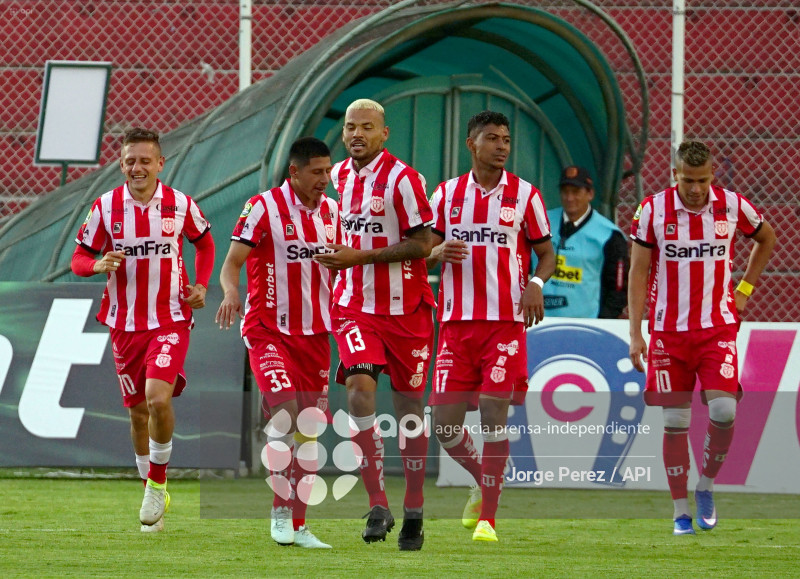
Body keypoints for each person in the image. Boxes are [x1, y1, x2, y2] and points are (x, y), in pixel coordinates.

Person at [71, 127, 215, 532]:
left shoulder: (180, 204)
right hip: (123, 322)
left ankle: (158, 481)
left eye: (145, 160)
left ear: (160, 164)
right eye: (130, 161)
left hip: (170, 318)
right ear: (121, 165)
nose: (137, 167)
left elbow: (204, 243)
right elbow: (79, 257)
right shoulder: (104, 207)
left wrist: (201, 285)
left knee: (156, 399)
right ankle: (149, 489)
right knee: (136, 414)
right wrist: (97, 265)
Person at [628, 140, 775, 535]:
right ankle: (680, 512)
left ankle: (706, 486)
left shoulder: (732, 205)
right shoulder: (652, 211)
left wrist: (743, 291)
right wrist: (636, 333)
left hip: (717, 328)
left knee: (724, 411)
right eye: (688, 180)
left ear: (713, 175)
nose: (696, 189)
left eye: (703, 180)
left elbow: (767, 238)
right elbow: (638, 271)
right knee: (674, 421)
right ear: (675, 174)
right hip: (667, 334)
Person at [426, 110, 555, 542]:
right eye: (492, 139)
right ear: (471, 144)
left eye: (506, 139)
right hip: (456, 326)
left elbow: (547, 252)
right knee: (444, 424)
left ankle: (489, 519)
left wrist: (536, 281)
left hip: (504, 325)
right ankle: (483, 480)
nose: (501, 146)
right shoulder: (445, 195)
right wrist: (437, 251)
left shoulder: (525, 196)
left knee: (492, 415)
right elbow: (424, 248)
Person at [313, 98, 434, 551]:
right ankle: (378, 502)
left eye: (367, 127)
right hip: (354, 306)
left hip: (408, 312)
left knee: (408, 412)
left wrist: (359, 256)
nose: (357, 134)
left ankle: (415, 510)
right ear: (342, 134)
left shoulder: (405, 180)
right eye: (350, 127)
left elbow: (423, 243)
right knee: (359, 386)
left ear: (385, 134)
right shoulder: (337, 178)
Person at [215, 137, 338, 549]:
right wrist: (231, 292)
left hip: (317, 337)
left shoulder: (334, 213)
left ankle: (299, 525)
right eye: (317, 172)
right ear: (295, 172)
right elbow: (231, 264)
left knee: (309, 431)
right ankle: (280, 514)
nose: (325, 179)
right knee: (285, 414)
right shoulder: (263, 207)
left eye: (328, 171)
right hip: (268, 330)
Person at [543, 165, 629, 318]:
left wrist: (601, 323)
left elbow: (618, 288)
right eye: (565, 191)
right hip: (539, 322)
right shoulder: (542, 222)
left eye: (576, 192)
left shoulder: (609, 235)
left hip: (585, 327)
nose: (569, 198)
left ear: (590, 194)